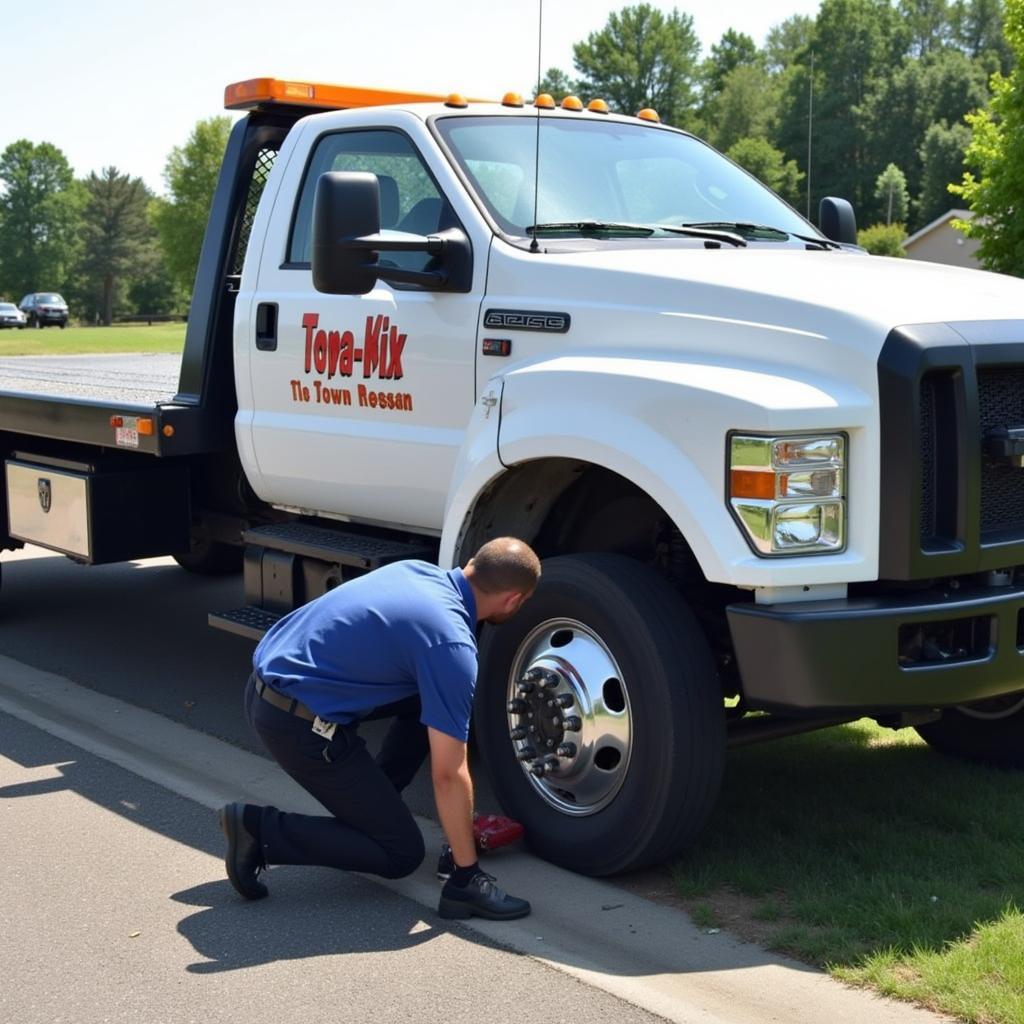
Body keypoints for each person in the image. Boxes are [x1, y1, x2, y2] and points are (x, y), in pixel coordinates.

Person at [219, 536, 541, 921]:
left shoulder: (417, 573)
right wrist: (465, 871)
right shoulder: (451, 645)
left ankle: (377, 802)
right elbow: (448, 774)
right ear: (512, 601)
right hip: (297, 725)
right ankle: (259, 830)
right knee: (401, 853)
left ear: (472, 564)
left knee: (427, 699)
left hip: (267, 688)